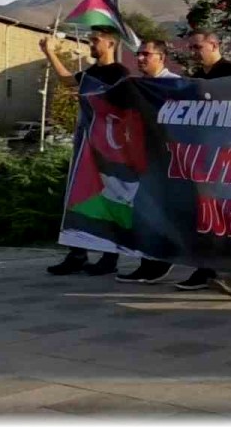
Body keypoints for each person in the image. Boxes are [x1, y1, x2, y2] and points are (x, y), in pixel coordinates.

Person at [41, 26, 130, 276]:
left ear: (111, 44)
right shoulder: (92, 72)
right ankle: (77, 252)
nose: (91, 44)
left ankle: (109, 255)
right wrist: (50, 53)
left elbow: (121, 105)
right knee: (80, 195)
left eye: (95, 40)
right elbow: (68, 79)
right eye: (91, 40)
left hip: (108, 145)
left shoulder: (120, 73)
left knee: (108, 197)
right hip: (86, 143)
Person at [176, 30, 231, 292]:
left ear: (214, 45)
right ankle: (207, 267)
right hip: (203, 153)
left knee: (226, 214)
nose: (194, 52)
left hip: (227, 152)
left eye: (198, 47)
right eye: (191, 48)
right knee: (205, 213)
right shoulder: (198, 78)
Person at [115, 40, 178, 284]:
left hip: (168, 159)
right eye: (138, 54)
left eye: (146, 54)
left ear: (161, 57)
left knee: (159, 212)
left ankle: (160, 261)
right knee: (143, 211)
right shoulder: (139, 85)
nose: (140, 58)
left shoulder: (173, 84)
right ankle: (147, 262)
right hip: (144, 155)